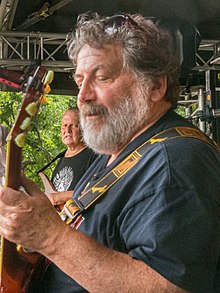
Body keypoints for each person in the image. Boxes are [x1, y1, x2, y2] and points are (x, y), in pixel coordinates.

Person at [0, 12, 219, 293]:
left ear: (154, 86)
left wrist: (50, 236)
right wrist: (39, 220)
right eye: (80, 81)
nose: (82, 96)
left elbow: (169, 287)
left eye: (102, 77)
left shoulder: (175, 160)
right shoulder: (116, 150)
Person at [39, 107, 98, 206]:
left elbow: (96, 191)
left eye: (74, 126)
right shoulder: (61, 158)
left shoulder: (94, 156)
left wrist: (59, 197)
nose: (67, 130)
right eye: (64, 126)